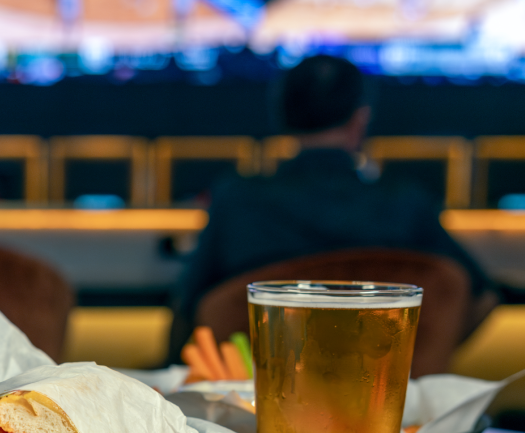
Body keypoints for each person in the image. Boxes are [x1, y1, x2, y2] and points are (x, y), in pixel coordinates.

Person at [168, 54, 497, 361]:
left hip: (252, 413)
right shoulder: (406, 201)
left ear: (283, 116)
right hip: (394, 412)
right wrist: (415, 359)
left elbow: (189, 312)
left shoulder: (237, 199)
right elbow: (480, 298)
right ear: (361, 119)